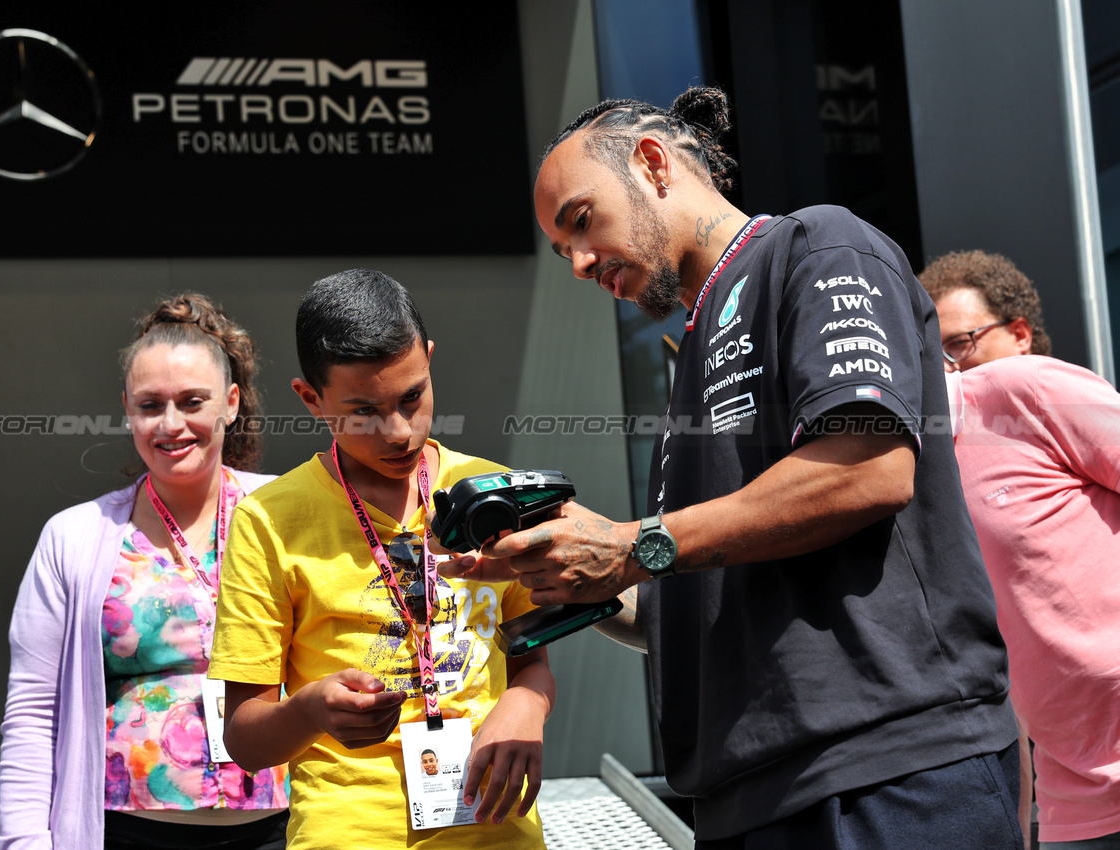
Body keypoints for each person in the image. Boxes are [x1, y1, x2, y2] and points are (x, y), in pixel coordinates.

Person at [443, 87, 1021, 847]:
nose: (580, 263)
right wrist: (563, 567)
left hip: (886, 775)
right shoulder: (691, 358)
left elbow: (867, 470)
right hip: (745, 798)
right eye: (561, 251)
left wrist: (631, 544)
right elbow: (691, 599)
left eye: (582, 223)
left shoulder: (815, 246)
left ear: (652, 164)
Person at [207, 269, 554, 850]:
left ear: (429, 360)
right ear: (310, 399)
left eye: (412, 397)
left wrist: (526, 703)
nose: (399, 431)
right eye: (364, 411)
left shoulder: (490, 490)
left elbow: (530, 659)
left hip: (496, 826)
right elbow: (245, 740)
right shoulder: (268, 520)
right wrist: (312, 710)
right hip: (346, 831)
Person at [0, 294, 289, 849]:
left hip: (283, 828)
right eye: (151, 405)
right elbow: (34, 712)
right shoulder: (74, 537)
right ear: (126, 409)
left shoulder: (289, 514)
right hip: (127, 832)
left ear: (230, 403)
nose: (172, 424)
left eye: (192, 401)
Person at [922, 250, 1120, 849]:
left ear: (1019, 336)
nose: (949, 365)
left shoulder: (1030, 386)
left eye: (961, 343)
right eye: (935, 350)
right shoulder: (914, 470)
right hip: (1075, 797)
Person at [918, 249, 1051, 371]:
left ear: (1020, 335)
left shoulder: (1068, 392)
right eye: (931, 354)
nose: (944, 367)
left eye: (959, 342)